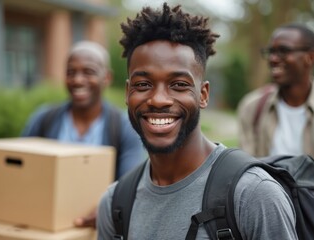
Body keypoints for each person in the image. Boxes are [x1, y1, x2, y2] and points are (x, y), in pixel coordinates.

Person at [97, 3, 297, 240]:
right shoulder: (115, 204)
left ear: (203, 95)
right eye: (143, 85)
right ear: (128, 93)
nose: (158, 100)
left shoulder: (253, 195)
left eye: (179, 84)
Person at [0, 41, 146, 227]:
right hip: (43, 224)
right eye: (71, 72)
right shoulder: (44, 118)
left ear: (107, 78)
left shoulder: (122, 126)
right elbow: (12, 164)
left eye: (88, 72)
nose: (78, 80)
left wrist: (106, 209)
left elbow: (128, 186)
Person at [237, 24, 314, 157]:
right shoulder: (253, 107)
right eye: (271, 52)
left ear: (310, 57)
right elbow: (247, 168)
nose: (273, 59)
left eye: (283, 51)